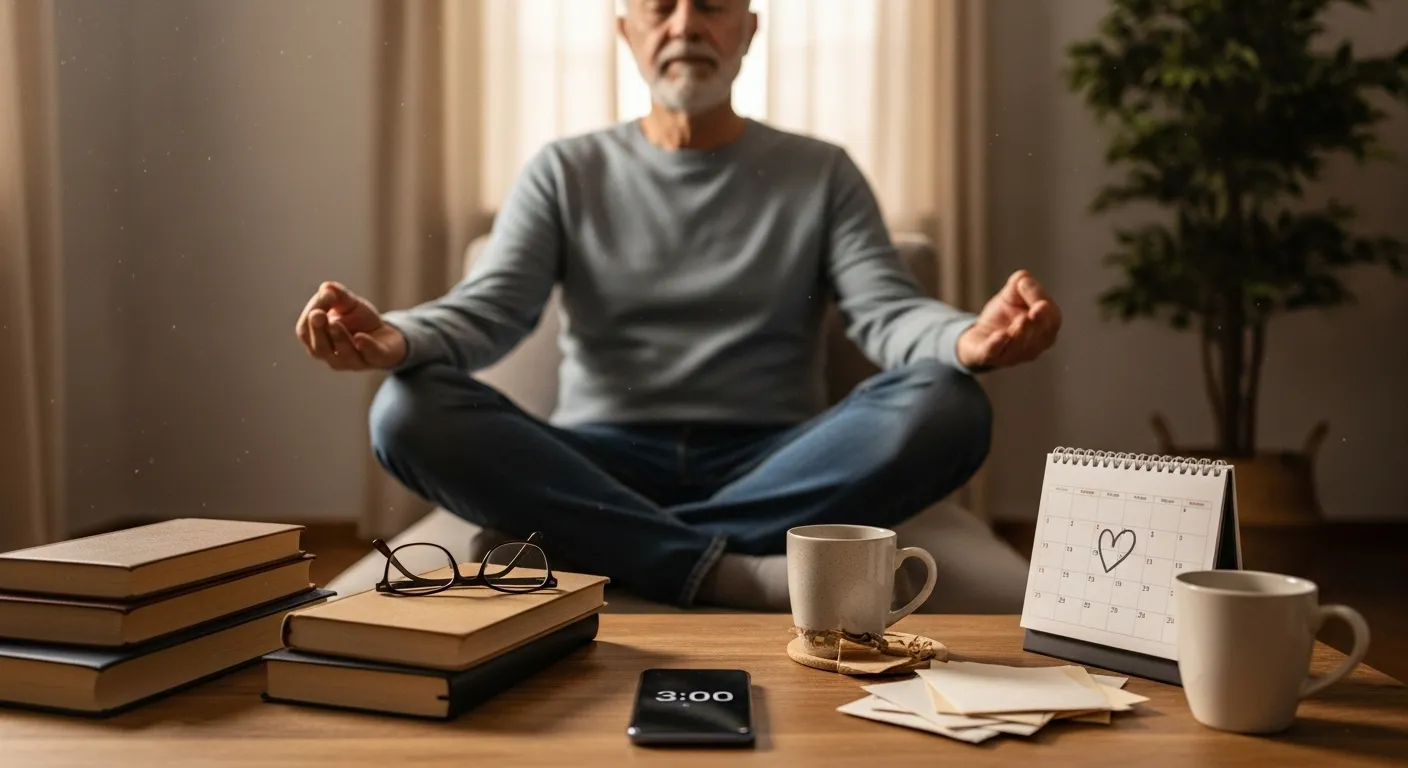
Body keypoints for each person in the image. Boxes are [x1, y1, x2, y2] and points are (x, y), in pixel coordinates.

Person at [294, 0, 1061, 610]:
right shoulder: (566, 170)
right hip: (596, 461)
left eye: (713, 6)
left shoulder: (821, 172)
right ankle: (727, 571)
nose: (685, 25)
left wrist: (967, 339)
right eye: (660, 7)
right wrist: (397, 336)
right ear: (626, 30)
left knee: (948, 403)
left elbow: (888, 311)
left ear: (749, 29)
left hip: (780, 461)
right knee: (406, 410)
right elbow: (488, 309)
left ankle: (609, 549)